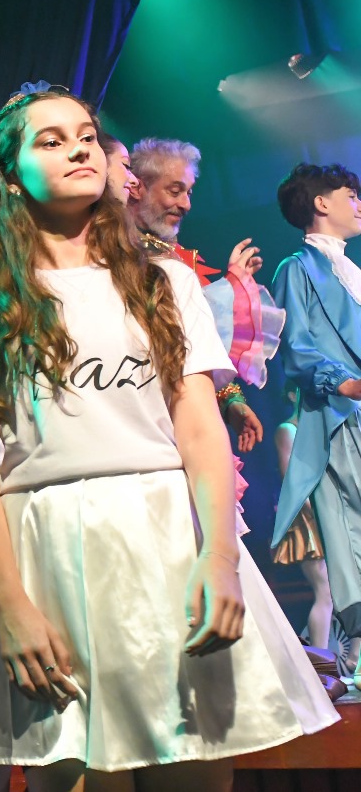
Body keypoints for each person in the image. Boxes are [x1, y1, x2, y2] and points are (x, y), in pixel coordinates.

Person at [0, 90, 337, 791]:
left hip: (166, 535)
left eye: (87, 136)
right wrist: (8, 600)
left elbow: (199, 427)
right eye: (51, 140)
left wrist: (221, 557)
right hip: (46, 546)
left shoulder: (165, 282)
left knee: (193, 763)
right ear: (8, 176)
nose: (79, 149)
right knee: (78, 769)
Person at [127, 138, 281, 438]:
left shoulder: (178, 257)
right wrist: (230, 291)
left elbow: (200, 348)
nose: (186, 204)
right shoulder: (121, 254)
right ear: (137, 187)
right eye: (175, 191)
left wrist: (232, 402)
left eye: (189, 192)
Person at [272, 162, 361, 681]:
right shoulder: (298, 268)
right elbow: (296, 345)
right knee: (350, 536)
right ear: (321, 203)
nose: (359, 204)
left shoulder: (351, 271)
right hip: (338, 419)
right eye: (352, 194)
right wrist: (343, 382)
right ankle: (351, 660)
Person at [273, 384, 336, 652]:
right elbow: (293, 481)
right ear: (292, 395)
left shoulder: (322, 430)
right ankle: (322, 658)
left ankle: (351, 659)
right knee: (325, 591)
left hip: (330, 515)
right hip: (310, 518)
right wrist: (322, 517)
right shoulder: (287, 430)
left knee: (343, 590)